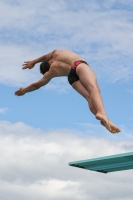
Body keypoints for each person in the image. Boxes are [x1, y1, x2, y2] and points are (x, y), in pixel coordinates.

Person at [15, 49, 120, 134]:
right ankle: (102, 114)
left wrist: (24, 91)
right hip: (78, 65)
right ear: (50, 60)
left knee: (89, 97)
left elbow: (37, 85)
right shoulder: (56, 53)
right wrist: (33, 62)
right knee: (94, 89)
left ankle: (104, 120)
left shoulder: (50, 73)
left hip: (71, 78)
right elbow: (44, 57)